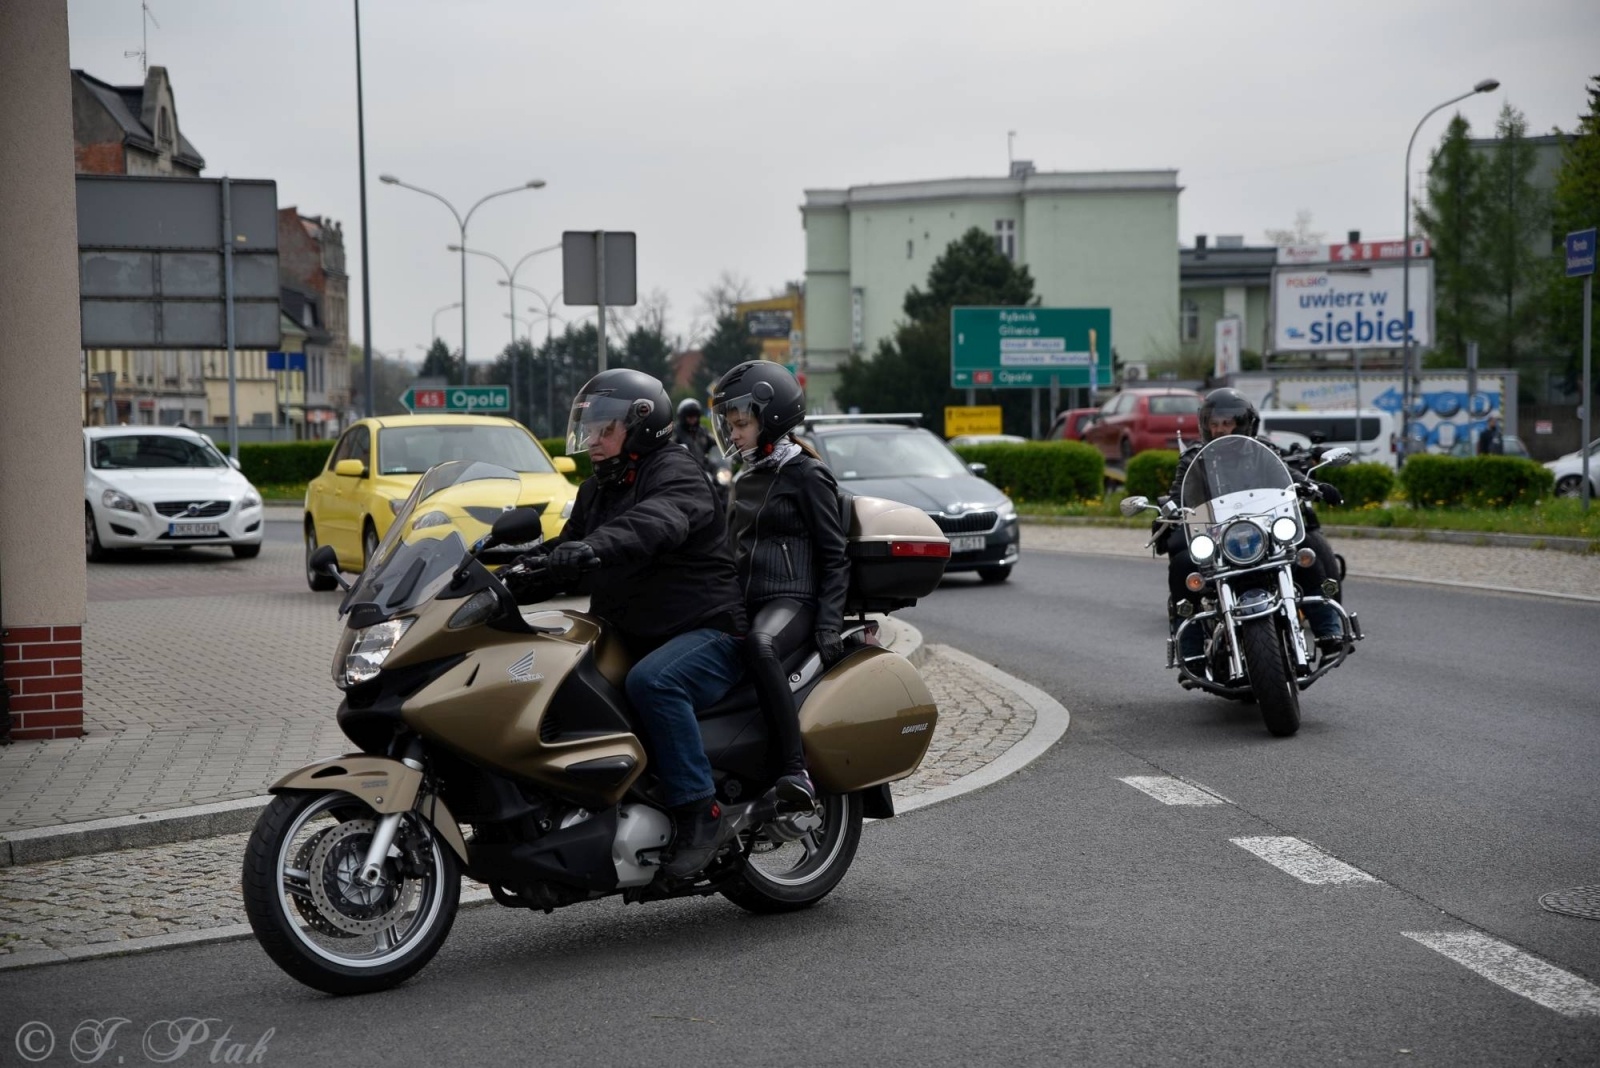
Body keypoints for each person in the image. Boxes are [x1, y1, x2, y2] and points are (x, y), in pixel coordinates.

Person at [510, 368, 747, 879]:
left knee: (654, 681)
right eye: (589, 430)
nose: (592, 441)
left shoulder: (676, 472)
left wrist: (592, 549)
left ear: (641, 425)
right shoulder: (600, 488)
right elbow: (566, 549)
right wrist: (509, 577)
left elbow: (657, 521)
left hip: (705, 629)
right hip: (636, 630)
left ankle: (699, 812)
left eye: (604, 429)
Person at [710, 360, 849, 812]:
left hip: (794, 598)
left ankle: (795, 769)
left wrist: (829, 624)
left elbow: (835, 554)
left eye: (742, 424)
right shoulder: (748, 476)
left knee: (761, 645)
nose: (734, 435)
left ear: (771, 419)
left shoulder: (807, 475)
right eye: (730, 426)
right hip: (750, 599)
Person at [1162, 388, 1346, 666]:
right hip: (1219, 537)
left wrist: (1312, 485)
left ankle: (1328, 633)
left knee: (1305, 552)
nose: (1219, 429)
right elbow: (1180, 493)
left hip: (1262, 532)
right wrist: (1170, 509)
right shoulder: (1194, 458)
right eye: (1213, 423)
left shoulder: (1260, 449)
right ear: (1205, 425)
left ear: (1241, 423)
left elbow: (1286, 473)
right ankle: (1191, 649)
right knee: (1182, 564)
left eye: (1226, 423)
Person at [673, 398, 717, 462]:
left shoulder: (702, 431)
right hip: (684, 467)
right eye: (690, 416)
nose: (693, 419)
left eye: (695, 416)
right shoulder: (676, 433)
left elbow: (715, 443)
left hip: (704, 469)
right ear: (683, 417)